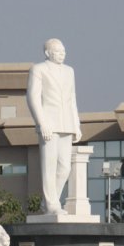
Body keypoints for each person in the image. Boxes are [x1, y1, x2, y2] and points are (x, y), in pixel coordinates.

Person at [26, 38, 82, 215]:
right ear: (47, 53)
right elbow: (33, 97)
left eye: (64, 51)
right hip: (49, 124)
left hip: (66, 123)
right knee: (49, 166)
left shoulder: (69, 71)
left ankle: (49, 201)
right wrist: (41, 123)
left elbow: (72, 99)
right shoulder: (39, 69)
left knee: (65, 167)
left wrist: (77, 125)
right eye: (58, 51)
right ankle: (52, 204)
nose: (62, 54)